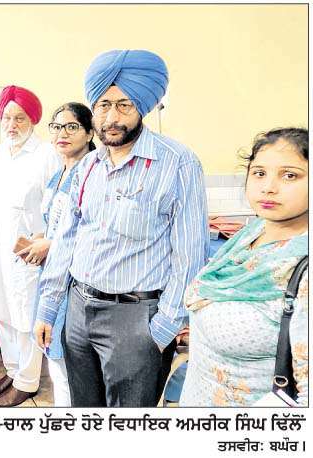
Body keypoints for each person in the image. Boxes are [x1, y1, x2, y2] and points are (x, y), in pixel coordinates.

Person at [34, 49, 209, 407]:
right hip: (79, 311)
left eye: (124, 105)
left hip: (136, 319)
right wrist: (48, 308)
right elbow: (66, 240)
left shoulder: (178, 163)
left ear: (142, 107)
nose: (112, 117)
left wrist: (162, 328)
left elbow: (190, 254)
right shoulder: (88, 167)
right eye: (103, 105)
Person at [180, 128, 308, 406]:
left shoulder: (303, 267)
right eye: (259, 173)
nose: (268, 187)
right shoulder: (253, 232)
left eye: (290, 175)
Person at [0, 85, 62, 407]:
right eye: (7, 117)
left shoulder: (46, 154)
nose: (12, 124)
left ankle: (27, 381)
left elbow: (55, 204)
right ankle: (13, 369)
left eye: (20, 118)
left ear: (33, 120)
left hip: (27, 248)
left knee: (25, 313)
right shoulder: (1, 151)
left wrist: (44, 241)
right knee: (1, 309)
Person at [23, 102, 95, 407]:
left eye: (71, 127)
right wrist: (40, 241)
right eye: (56, 127)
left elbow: (91, 233)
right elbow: (55, 223)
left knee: (67, 363)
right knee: (55, 361)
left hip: (75, 281)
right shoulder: (58, 174)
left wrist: (50, 245)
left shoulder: (92, 173)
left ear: (90, 133)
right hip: (52, 277)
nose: (61, 134)